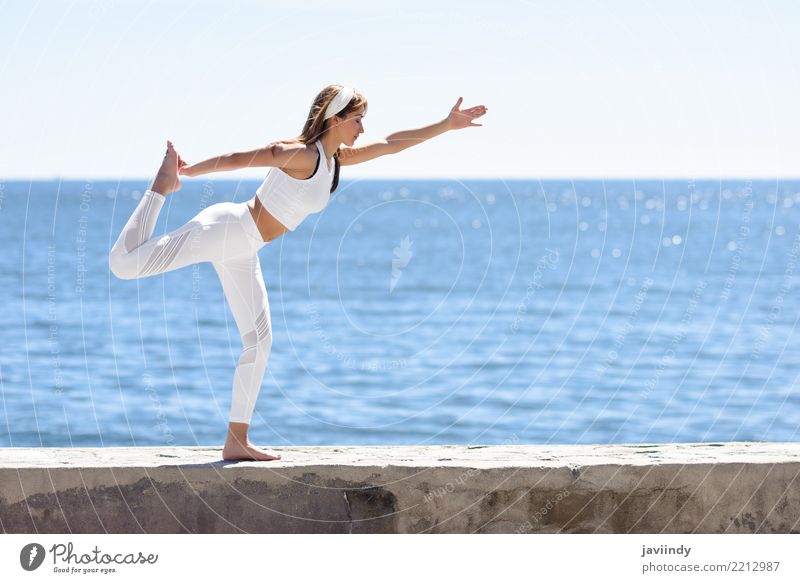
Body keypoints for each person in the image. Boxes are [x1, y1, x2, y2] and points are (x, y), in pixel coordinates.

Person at [108, 84, 487, 461]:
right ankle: (162, 184)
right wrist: (189, 172)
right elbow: (246, 157)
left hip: (244, 246)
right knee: (123, 264)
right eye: (357, 120)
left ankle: (236, 441)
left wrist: (445, 124)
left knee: (259, 342)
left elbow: (391, 143)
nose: (363, 129)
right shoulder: (302, 156)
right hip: (225, 231)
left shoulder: (335, 161)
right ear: (335, 119)